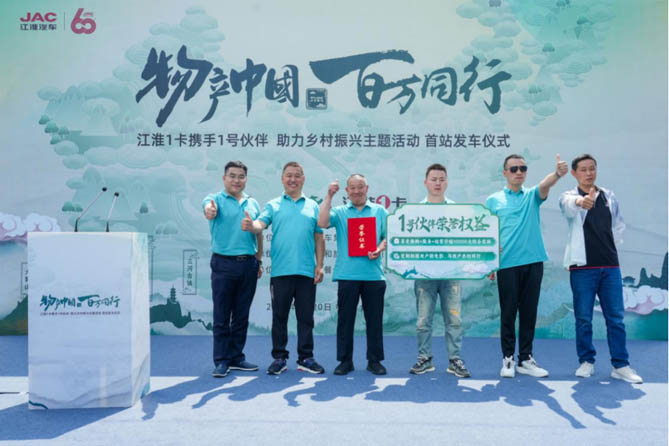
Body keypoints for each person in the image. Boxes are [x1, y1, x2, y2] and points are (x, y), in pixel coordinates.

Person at [558, 154, 642, 383]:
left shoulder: (608, 196)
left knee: (615, 318)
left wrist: (609, 247)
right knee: (584, 318)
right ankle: (586, 361)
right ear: (574, 173)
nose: (589, 173)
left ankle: (620, 365)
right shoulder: (568, 196)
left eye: (592, 168)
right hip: (582, 268)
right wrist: (581, 202)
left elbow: (618, 225)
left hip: (610, 266)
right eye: (583, 169)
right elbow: (568, 207)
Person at [485, 154, 568, 378]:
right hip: (507, 265)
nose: (519, 172)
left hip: (533, 262)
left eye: (523, 168)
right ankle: (508, 359)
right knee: (508, 313)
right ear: (505, 173)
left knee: (529, 313)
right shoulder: (494, 200)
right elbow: (487, 233)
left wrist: (557, 174)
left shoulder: (532, 196)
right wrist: (489, 263)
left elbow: (545, 185)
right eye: (514, 169)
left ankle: (525, 359)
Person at [242, 162, 326, 375]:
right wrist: (252, 226)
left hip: (306, 272)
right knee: (279, 317)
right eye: (289, 175)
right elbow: (261, 224)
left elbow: (319, 237)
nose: (293, 179)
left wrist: (320, 265)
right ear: (282, 179)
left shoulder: (313, 206)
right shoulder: (273, 205)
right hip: (281, 272)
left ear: (303, 179)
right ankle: (279, 358)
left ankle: (306, 358)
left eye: (297, 175)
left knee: (306, 318)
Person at [318, 174, 388, 375]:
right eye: (352, 188)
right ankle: (345, 361)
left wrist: (379, 249)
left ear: (367, 188)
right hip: (347, 274)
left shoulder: (379, 211)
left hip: (373, 275)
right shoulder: (340, 212)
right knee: (345, 321)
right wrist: (329, 196)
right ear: (347, 191)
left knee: (374, 321)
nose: (357, 191)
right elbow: (322, 222)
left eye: (360, 187)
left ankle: (374, 360)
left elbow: (387, 237)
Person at [203, 161, 263, 378]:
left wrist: (259, 260)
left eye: (241, 176)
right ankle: (221, 360)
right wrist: (210, 211)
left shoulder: (253, 203)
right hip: (223, 264)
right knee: (221, 315)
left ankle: (236, 357)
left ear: (246, 179)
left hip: (248, 264)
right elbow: (208, 210)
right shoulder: (214, 200)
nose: (236, 180)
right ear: (224, 178)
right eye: (232, 176)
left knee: (241, 315)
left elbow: (258, 232)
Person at [410, 163, 470, 378]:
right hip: (424, 274)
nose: (438, 183)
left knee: (454, 320)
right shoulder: (415, 211)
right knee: (423, 320)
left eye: (441, 179)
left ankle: (455, 360)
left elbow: (467, 240)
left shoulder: (457, 211)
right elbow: (407, 241)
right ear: (426, 182)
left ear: (447, 182)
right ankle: (424, 358)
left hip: (451, 274)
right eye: (433, 179)